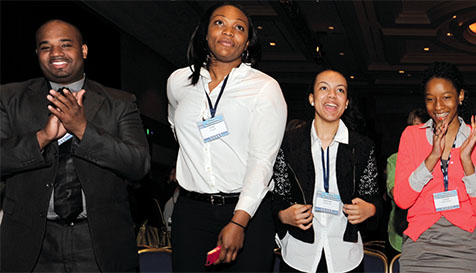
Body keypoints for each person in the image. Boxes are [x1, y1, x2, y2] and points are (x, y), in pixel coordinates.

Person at [0, 19, 150, 271]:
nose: (56, 53)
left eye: (65, 44)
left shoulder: (120, 102)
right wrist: (42, 137)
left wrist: (82, 129)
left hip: (99, 243)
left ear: (84, 50)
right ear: (37, 54)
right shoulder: (9, 98)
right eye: (46, 47)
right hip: (31, 243)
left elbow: (139, 165)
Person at [167, 3, 286, 271]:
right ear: (205, 33)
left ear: (247, 43)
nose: (228, 31)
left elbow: (262, 161)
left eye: (239, 27)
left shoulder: (264, 88)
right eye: (219, 23)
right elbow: (176, 127)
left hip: (247, 212)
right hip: (191, 211)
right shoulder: (178, 82)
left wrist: (238, 221)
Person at [270, 69, 381, 272]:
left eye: (340, 90)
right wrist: (284, 216)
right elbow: (277, 196)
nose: (332, 95)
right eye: (323, 88)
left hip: (345, 256)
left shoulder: (362, 147)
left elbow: (373, 197)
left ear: (346, 103)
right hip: (299, 254)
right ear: (312, 98)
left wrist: (370, 209)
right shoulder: (289, 143)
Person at [394, 62, 476, 272]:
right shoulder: (411, 136)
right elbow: (402, 200)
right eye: (430, 99)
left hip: (464, 244)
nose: (438, 106)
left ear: (460, 96)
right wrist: (432, 157)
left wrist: (466, 160)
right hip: (419, 243)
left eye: (446, 97)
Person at [386, 108, 429, 255]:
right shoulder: (396, 159)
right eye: (413, 127)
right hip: (401, 237)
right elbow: (396, 194)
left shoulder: (440, 158)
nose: (417, 133)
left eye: (422, 128)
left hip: (433, 237)